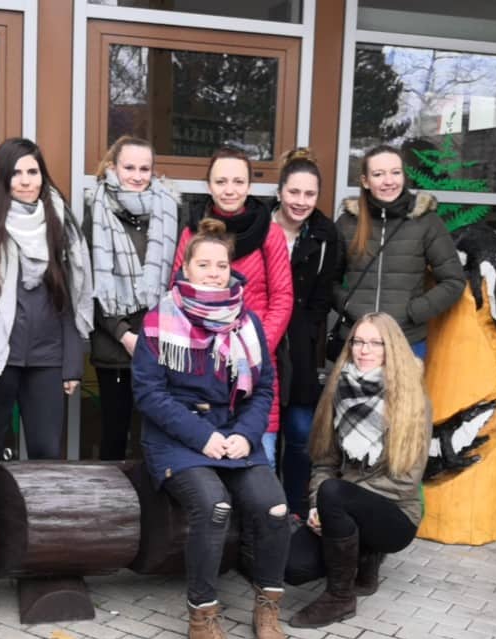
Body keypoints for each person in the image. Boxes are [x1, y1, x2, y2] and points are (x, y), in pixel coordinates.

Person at [134, 219, 290, 639]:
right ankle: (202, 619)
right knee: (214, 506)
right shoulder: (159, 321)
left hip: (236, 436)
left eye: (220, 265)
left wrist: (245, 435)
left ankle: (268, 608)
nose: (213, 273)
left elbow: (264, 389)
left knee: (275, 508)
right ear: (186, 268)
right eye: (203, 264)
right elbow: (149, 394)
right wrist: (205, 438)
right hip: (178, 440)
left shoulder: (249, 322)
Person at [286, 312, 430, 628]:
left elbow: (406, 481)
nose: (364, 350)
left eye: (376, 343)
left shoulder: (411, 398)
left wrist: (336, 503)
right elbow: (324, 461)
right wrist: (317, 507)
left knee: (335, 493)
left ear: (392, 348)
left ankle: (339, 598)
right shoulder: (338, 390)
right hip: (341, 503)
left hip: (395, 514)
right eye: (358, 341)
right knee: (292, 568)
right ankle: (363, 556)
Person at [0, 137, 93, 461]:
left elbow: (72, 297)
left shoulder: (61, 224)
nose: (25, 181)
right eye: (16, 173)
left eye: (33, 172)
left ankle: (36, 500)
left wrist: (72, 363)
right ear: (2, 177)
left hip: (47, 357)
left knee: (46, 451)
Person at [170, 146, 292, 469]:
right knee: (204, 460)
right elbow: (178, 293)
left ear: (249, 186)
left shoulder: (270, 233)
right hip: (202, 363)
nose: (229, 189)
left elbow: (282, 298)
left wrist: (254, 349)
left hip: (254, 360)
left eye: (238, 181)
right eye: (221, 181)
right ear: (209, 185)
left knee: (258, 459)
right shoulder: (192, 231)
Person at [86, 136, 181, 460]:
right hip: (114, 345)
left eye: (144, 169)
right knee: (115, 434)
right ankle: (111, 494)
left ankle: (152, 494)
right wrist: (123, 334)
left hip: (160, 343)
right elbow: (88, 283)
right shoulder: (96, 209)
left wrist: (153, 335)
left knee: (154, 436)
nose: (137, 176)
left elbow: (177, 278)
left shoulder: (169, 210)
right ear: (114, 167)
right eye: (129, 168)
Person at [334, 145, 465, 359]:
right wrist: (349, 305)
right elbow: (328, 280)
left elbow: (453, 281)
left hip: (406, 341)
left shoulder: (426, 221)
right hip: (358, 341)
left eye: (395, 172)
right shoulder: (348, 223)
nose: (389, 181)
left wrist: (414, 312)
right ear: (365, 181)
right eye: (378, 174)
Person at [273, 148, 343, 518]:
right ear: (280, 191)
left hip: (301, 346)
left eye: (310, 194)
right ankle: (264, 512)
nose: (301, 201)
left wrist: (304, 337)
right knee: (264, 435)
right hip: (262, 342)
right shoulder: (260, 228)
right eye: (294, 192)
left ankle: (296, 510)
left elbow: (322, 297)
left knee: (300, 435)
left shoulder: (325, 235)